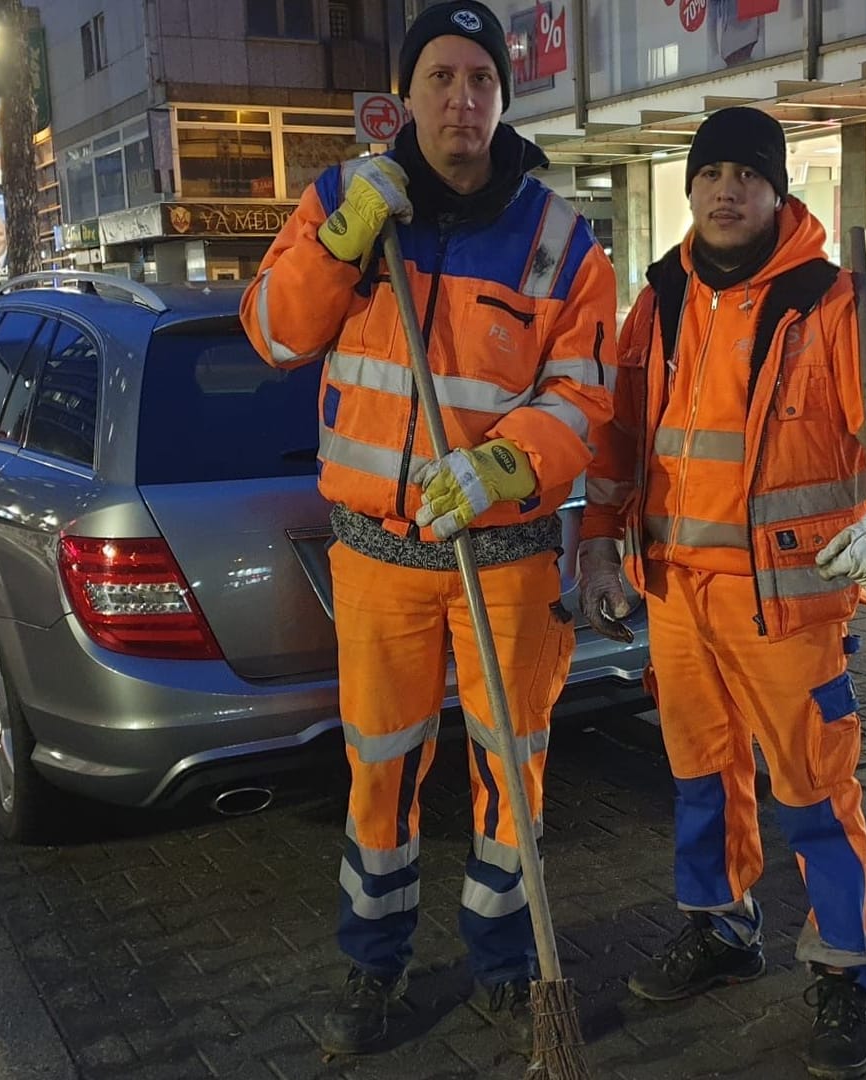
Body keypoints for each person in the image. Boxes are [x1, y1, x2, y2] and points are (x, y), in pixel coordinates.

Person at [237, 0, 615, 1059]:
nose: (462, 99)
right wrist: (344, 241)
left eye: (482, 82)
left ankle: (503, 961)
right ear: (407, 94)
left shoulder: (557, 237)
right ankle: (375, 962)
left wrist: (506, 462)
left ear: (504, 96)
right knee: (383, 769)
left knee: (510, 767)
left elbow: (587, 397)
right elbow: (271, 332)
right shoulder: (345, 201)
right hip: (380, 563)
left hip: (505, 560)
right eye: (442, 77)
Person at [577, 107, 866, 1080]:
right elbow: (616, 441)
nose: (727, 190)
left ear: (779, 192)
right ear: (691, 189)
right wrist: (598, 548)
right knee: (701, 779)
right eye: (712, 174)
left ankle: (842, 970)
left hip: (786, 606)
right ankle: (719, 926)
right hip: (678, 602)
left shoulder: (830, 302)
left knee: (815, 793)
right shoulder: (657, 302)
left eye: (748, 174)